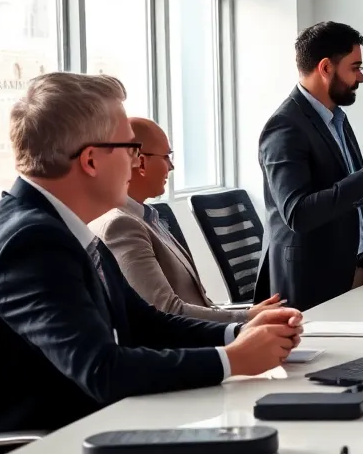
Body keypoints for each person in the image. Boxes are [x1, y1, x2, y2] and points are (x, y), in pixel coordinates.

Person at [0, 73, 302, 454]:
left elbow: (144, 321)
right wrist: (231, 361)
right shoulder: (29, 243)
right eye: (131, 147)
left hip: (87, 434)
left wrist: (239, 335)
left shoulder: (64, 225)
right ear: (91, 160)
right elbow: (104, 371)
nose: (137, 161)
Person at [259, 22, 363, 310]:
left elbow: (361, 197)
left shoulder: (337, 119)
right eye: (355, 67)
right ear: (325, 68)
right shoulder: (285, 127)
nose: (362, 77)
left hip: (358, 272)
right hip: (314, 287)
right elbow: (298, 213)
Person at [90, 117, 284, 323]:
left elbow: (197, 303)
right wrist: (246, 318)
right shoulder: (121, 225)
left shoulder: (146, 217)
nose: (171, 166)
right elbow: (165, 311)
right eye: (166, 157)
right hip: (190, 347)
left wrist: (252, 314)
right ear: (141, 161)